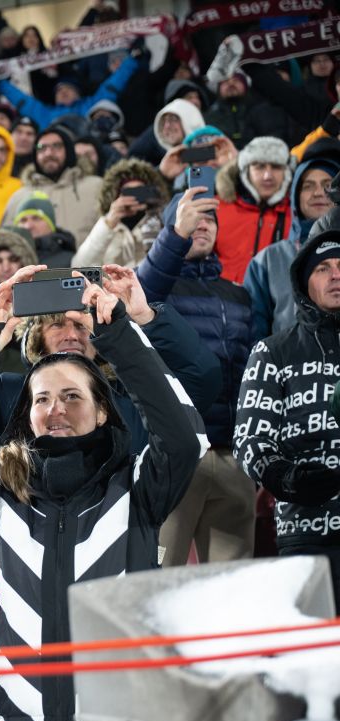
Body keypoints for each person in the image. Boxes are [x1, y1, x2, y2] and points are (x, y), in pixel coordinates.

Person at [0, 265, 204, 721]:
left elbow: (185, 438)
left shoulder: (139, 485)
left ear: (101, 413)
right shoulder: (2, 490)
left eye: (72, 396)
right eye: (41, 399)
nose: (55, 409)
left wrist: (117, 333)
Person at [0, 266, 222, 459]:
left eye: (82, 325)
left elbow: (200, 381)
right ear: (36, 337)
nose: (72, 333)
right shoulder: (7, 394)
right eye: (57, 324)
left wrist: (146, 318)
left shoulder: (129, 392)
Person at [136, 187, 256, 565]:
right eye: (192, 216)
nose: (202, 225)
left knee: (233, 586)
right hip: (176, 455)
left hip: (232, 455)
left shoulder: (238, 295)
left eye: (210, 218)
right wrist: (174, 238)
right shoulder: (151, 290)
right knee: (158, 579)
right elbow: (140, 293)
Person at [235, 230, 340, 606]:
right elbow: (250, 441)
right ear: (303, 281)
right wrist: (286, 478)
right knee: (312, 660)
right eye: (323, 268)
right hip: (306, 532)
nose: (336, 275)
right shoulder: (272, 351)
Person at [245, 149, 340, 338]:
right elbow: (255, 332)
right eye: (307, 186)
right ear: (295, 195)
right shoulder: (267, 260)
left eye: (327, 185)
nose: (318, 193)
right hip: (286, 363)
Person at [3, 125, 105, 246]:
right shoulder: (19, 196)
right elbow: (7, 242)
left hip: (89, 263)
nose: (49, 153)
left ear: (69, 150)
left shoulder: (96, 187)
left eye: (56, 146)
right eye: (42, 148)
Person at [216, 136, 296, 283]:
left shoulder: (297, 214)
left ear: (287, 172)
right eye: (259, 167)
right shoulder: (217, 207)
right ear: (246, 171)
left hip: (275, 303)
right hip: (222, 300)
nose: (267, 176)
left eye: (276, 167)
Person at [0, 55, 141, 129]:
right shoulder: (45, 113)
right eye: (59, 90)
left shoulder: (92, 105)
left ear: (78, 93)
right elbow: (22, 100)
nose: (63, 92)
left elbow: (114, 84)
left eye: (68, 89)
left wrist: (132, 59)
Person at [73, 158, 169, 270]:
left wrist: (156, 215)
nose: (134, 198)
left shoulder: (161, 223)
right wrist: (109, 222)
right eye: (128, 192)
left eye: (140, 191)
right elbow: (79, 266)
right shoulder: (105, 228)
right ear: (116, 195)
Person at [12, 192, 77, 269]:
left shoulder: (71, 262)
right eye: (23, 220)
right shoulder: (5, 259)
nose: (28, 226)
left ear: (51, 224)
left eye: (36, 218)